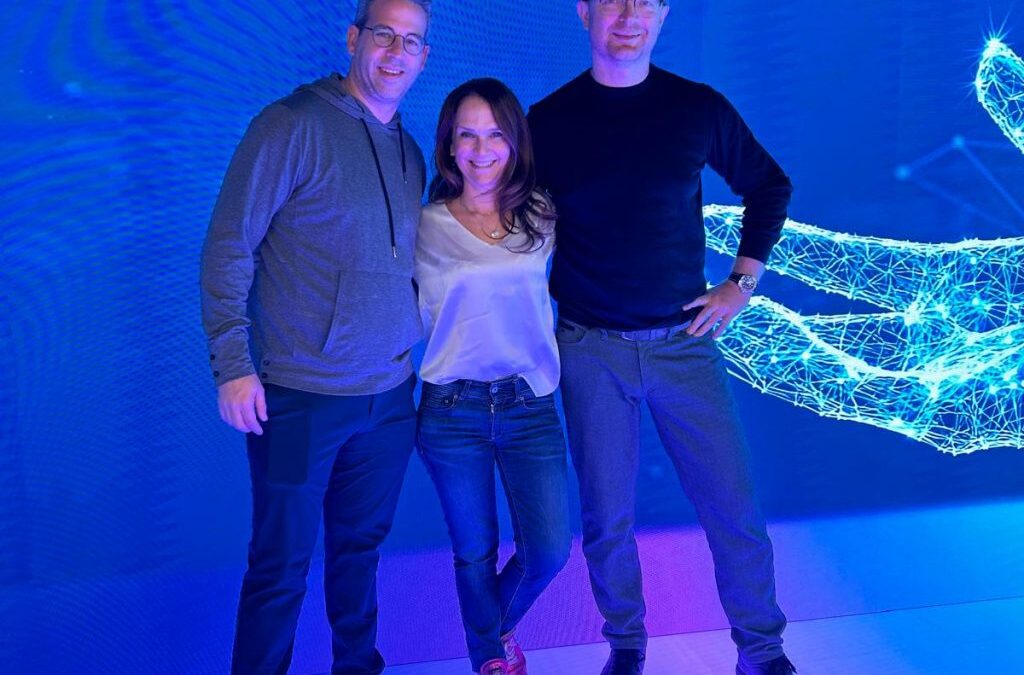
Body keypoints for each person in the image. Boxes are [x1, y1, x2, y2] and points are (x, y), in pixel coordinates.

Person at [527, 2, 796, 674]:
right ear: (584, 10)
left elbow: (769, 185)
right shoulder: (548, 121)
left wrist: (741, 283)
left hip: (684, 343)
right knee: (606, 517)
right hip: (589, 347)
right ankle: (625, 646)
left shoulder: (696, 107)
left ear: (663, 12)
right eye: (612, 0)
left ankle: (762, 652)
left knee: (732, 508)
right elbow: (513, 222)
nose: (629, 14)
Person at [198, 0, 430, 672]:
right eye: (383, 34)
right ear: (354, 38)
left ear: (423, 57)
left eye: (411, 41)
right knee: (280, 569)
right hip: (301, 397)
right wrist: (232, 363)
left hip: (390, 399)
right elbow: (228, 247)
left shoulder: (410, 150)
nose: (395, 51)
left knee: (359, 557)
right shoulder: (290, 125)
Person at [415, 78, 571, 675]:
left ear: (515, 143)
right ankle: (491, 662)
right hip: (450, 409)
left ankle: (489, 635)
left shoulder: (542, 214)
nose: (482, 151)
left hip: (529, 403)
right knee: (474, 552)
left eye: (496, 135)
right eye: (468, 136)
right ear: (449, 145)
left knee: (549, 550)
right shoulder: (421, 224)